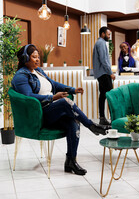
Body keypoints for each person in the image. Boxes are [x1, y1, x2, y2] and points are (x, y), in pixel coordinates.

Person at [11, 44, 110, 176]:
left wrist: (72, 89)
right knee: (65, 102)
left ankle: (71, 161)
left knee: (73, 122)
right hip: (40, 114)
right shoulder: (21, 76)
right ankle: (91, 125)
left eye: (38, 57)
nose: (37, 59)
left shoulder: (38, 71)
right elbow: (29, 97)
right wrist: (52, 97)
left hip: (52, 109)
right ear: (25, 58)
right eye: (34, 57)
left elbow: (54, 84)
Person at [93, 27, 115, 126]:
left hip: (100, 74)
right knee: (111, 95)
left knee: (102, 96)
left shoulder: (99, 43)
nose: (109, 37)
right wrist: (110, 72)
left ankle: (102, 118)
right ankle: (113, 119)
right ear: (103, 34)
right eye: (108, 34)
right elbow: (103, 59)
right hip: (104, 73)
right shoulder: (101, 43)